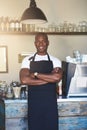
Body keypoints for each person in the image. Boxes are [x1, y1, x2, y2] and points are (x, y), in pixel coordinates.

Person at [19, 32, 63, 130]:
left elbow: (56, 78)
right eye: (38, 41)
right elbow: (24, 80)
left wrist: (35, 74)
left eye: (43, 41)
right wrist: (49, 78)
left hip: (50, 104)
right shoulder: (27, 60)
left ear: (48, 43)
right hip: (34, 104)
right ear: (35, 43)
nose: (41, 44)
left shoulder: (55, 60)